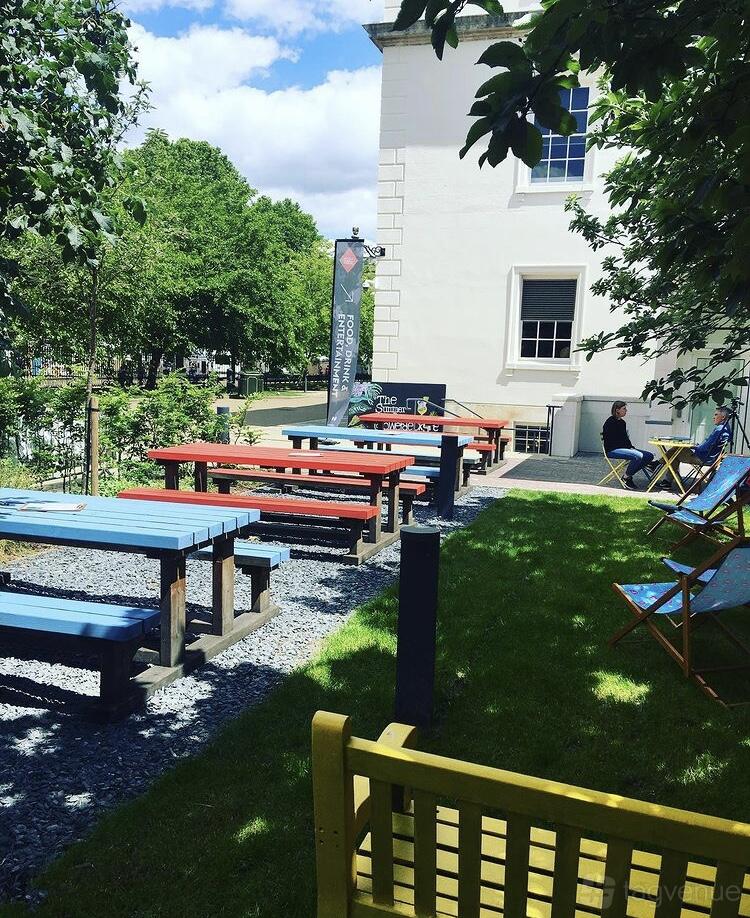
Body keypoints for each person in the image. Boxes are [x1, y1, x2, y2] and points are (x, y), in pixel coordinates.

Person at [602, 401, 658, 491]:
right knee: (637, 456)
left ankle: (648, 464)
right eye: (624, 409)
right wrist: (630, 449)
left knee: (649, 455)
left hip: (624, 448)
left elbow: (625, 439)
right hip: (612, 449)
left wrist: (631, 447)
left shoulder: (622, 423)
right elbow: (611, 440)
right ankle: (626, 477)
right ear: (617, 410)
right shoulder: (610, 422)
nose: (626, 411)